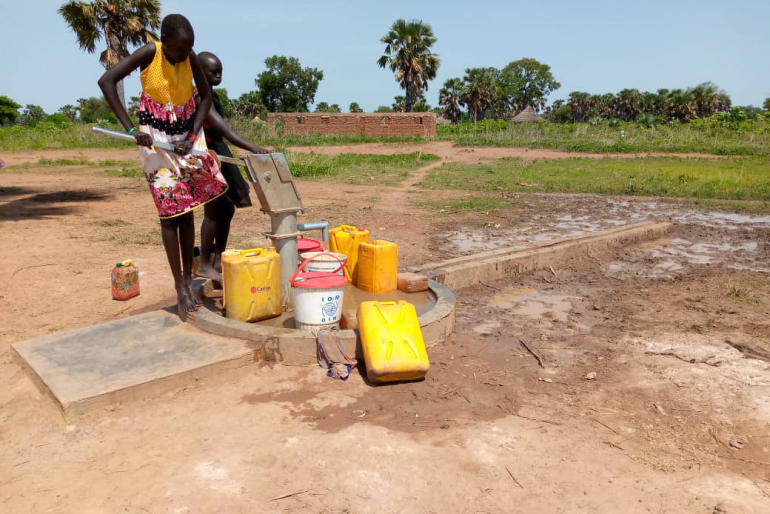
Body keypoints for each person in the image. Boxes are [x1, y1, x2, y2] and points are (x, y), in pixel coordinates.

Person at [98, 14, 228, 314]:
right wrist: (132, 129)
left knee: (188, 209)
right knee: (170, 214)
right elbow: (107, 81)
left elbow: (205, 97)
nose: (184, 56)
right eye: (180, 49)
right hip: (154, 140)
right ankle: (179, 286)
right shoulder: (150, 53)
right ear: (164, 39)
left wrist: (193, 134)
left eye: (188, 50)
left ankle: (187, 276)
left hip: (185, 138)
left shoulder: (189, 56)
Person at [195, 51, 269, 277]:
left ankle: (219, 258)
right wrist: (253, 147)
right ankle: (205, 263)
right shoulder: (200, 97)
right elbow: (223, 130)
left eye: (220, 72)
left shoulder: (212, 95)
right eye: (213, 72)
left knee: (227, 208)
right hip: (208, 157)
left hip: (219, 153)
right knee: (214, 210)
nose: (218, 75)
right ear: (199, 71)